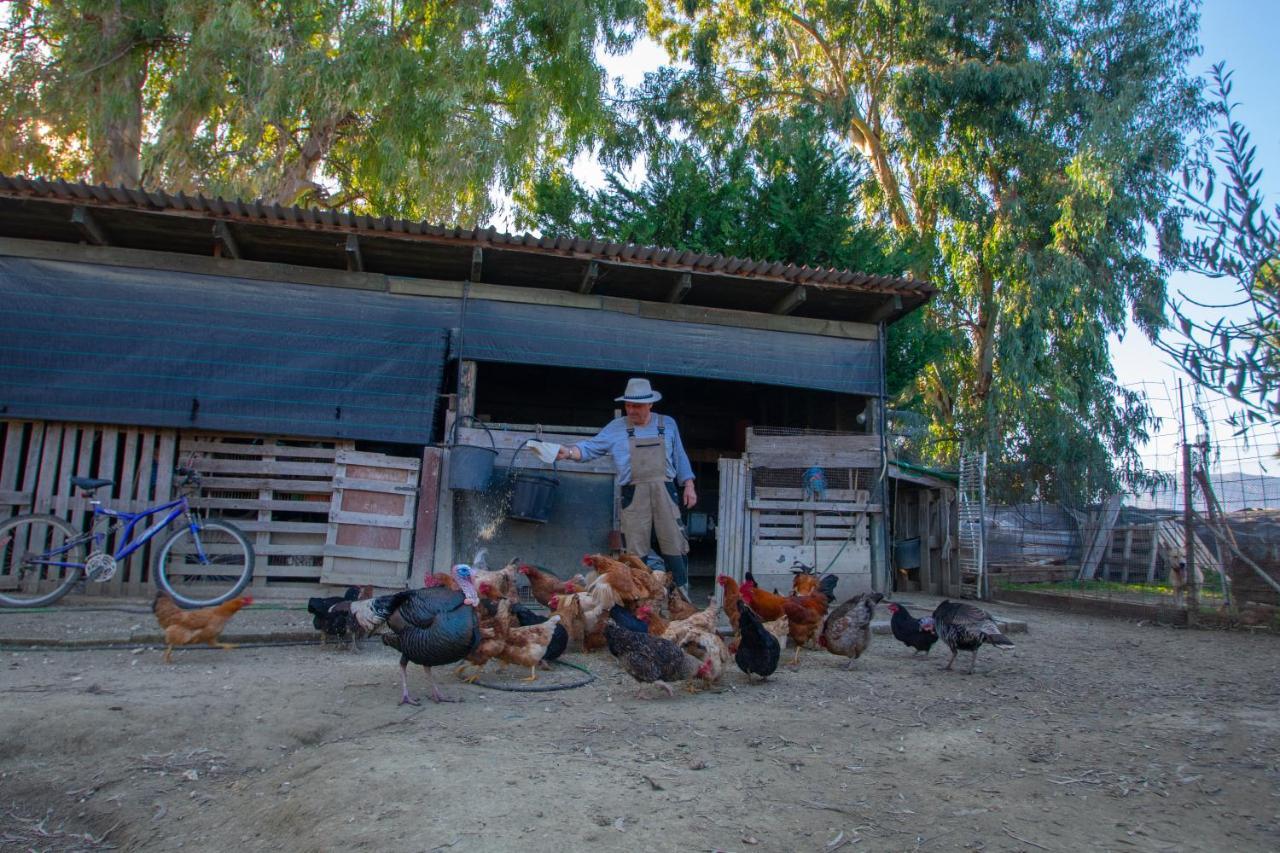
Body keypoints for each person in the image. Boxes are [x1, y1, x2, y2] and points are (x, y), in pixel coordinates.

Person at [557, 378, 697, 592]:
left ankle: (681, 596)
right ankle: (639, 598)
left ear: (650, 404)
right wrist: (567, 452)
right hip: (633, 494)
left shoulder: (667, 424)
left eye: (637, 406)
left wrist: (689, 484)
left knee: (674, 545)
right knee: (635, 552)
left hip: (665, 493)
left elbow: (680, 455)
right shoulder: (616, 428)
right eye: (628, 405)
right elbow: (589, 448)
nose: (631, 410)